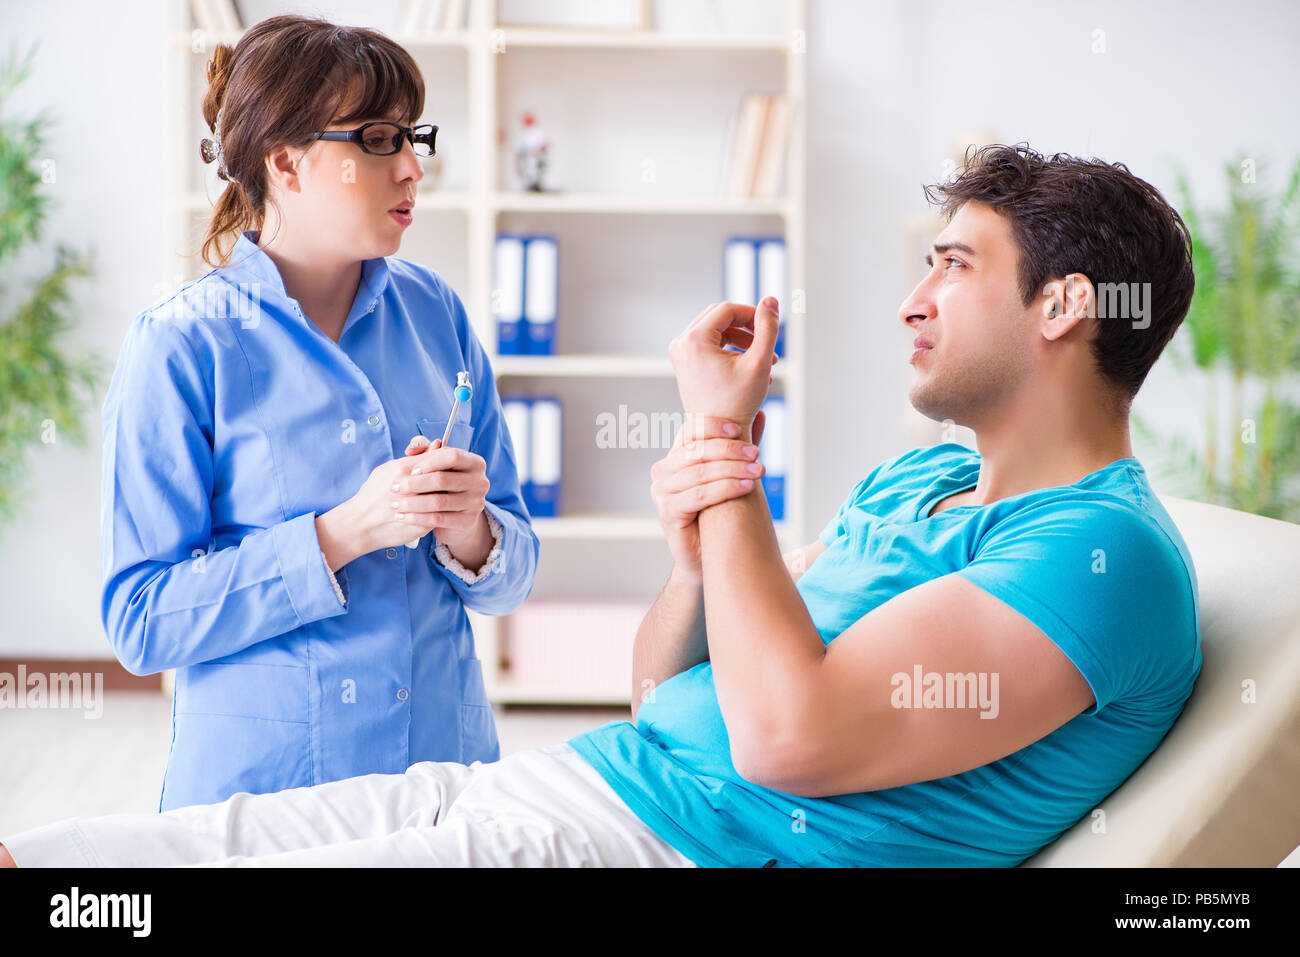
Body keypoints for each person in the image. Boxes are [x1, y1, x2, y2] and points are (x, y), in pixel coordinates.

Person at [0, 143, 1201, 867]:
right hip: (600, 779)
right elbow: (667, 689)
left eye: (955, 263)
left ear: (1064, 308)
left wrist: (724, 446)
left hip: (682, 846)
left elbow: (787, 739)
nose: (912, 298)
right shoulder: (920, 481)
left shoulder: (1101, 555)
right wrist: (695, 551)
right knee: (212, 845)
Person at [92, 14, 539, 813]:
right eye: (376, 138)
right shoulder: (180, 345)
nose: (411, 168)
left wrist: (472, 530)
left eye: (412, 137)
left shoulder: (437, 315)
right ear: (286, 162)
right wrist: (344, 533)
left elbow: (512, 574)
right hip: (263, 808)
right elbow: (141, 619)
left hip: (445, 793)